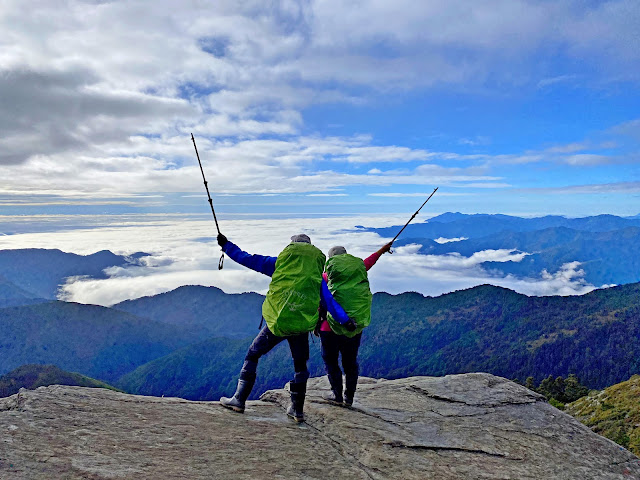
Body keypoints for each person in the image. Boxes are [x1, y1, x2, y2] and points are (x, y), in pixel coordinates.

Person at [217, 232, 355, 423]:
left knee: (253, 355)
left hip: (278, 322)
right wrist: (346, 321)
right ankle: (297, 410)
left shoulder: (280, 263)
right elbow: (329, 301)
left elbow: (247, 259)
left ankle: (239, 399)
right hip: (301, 325)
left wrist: (226, 246)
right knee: (300, 366)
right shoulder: (315, 275)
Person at [319, 242, 392, 407]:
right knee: (350, 362)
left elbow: (322, 300)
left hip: (328, 327)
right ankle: (349, 397)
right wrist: (382, 250)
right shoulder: (358, 269)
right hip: (354, 326)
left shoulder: (326, 276)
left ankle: (336, 394)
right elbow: (370, 261)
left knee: (330, 361)